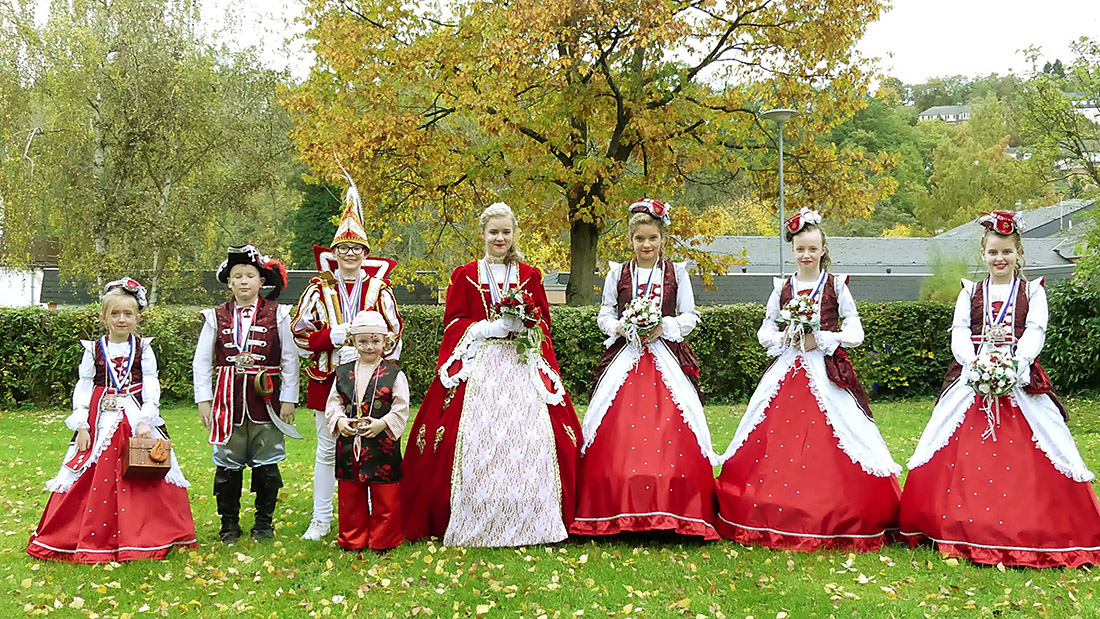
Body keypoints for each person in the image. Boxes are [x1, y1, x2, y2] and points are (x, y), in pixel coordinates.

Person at [899, 210, 1100, 567]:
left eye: (1006, 251)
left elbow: (1036, 332)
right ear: (983, 255)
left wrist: (1014, 367)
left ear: (1018, 253)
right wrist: (974, 364)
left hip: (1017, 377)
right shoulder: (970, 291)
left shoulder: (1032, 292)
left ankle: (1036, 523)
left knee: (1049, 439)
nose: (999, 259)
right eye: (993, 252)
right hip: (974, 375)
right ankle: (956, 525)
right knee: (945, 437)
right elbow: (960, 331)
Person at [715, 207, 902, 552]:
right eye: (800, 249)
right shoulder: (783, 287)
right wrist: (783, 338)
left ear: (823, 250)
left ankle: (840, 510)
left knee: (839, 435)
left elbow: (855, 331)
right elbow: (765, 330)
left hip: (825, 371)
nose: (806, 255)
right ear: (793, 251)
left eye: (812, 249)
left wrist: (823, 339)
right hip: (789, 368)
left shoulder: (835, 286)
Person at [401, 202, 582, 547]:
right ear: (482, 234)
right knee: (470, 436)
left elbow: (543, 320)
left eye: (506, 231)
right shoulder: (465, 274)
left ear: (514, 234)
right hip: (481, 363)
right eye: (493, 232)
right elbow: (454, 321)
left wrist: (525, 323)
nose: (500, 238)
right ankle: (475, 508)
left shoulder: (530, 275)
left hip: (521, 363)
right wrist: (487, 328)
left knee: (536, 438)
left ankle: (533, 510)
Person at [570, 199, 720, 540]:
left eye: (652, 238)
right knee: (610, 424)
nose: (646, 245)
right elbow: (605, 314)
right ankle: (614, 506)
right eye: (639, 239)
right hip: (626, 356)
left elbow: (689, 317)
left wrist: (662, 327)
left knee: (676, 424)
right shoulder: (617, 273)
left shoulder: (677, 273)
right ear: (630, 239)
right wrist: (622, 328)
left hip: (665, 356)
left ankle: (673, 506)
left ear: (662, 238)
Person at [27, 278, 196, 562]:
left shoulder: (144, 349)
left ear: (137, 317)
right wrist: (81, 423)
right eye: (115, 314)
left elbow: (152, 383)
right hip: (101, 418)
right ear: (104, 316)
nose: (121, 319)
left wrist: (146, 419)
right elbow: (83, 385)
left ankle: (147, 535)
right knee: (90, 472)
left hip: (135, 416)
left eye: (128, 314)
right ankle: (89, 536)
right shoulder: (93, 349)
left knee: (146, 468)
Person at [292, 173, 403, 542]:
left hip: (372, 379)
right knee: (328, 448)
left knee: (373, 446)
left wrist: (375, 353)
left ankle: (370, 517)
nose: (350, 255)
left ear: (366, 253)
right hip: (328, 379)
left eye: (357, 249)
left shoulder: (379, 288)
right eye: (343, 248)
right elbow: (299, 333)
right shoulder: (317, 287)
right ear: (333, 253)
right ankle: (321, 519)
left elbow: (395, 330)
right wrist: (330, 337)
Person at [193, 244, 300, 543]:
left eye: (249, 276)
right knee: (227, 461)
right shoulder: (215, 317)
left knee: (267, 460)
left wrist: (289, 398)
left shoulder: (280, 315)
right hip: (227, 402)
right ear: (229, 282)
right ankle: (229, 525)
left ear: (260, 281)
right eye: (237, 276)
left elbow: (290, 359)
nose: (243, 281)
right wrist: (204, 400)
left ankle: (264, 523)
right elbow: (202, 362)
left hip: (266, 400)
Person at [325, 310, 409, 552]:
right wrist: (340, 421)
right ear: (353, 342)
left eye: (375, 341)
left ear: (386, 342)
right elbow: (333, 403)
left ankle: (385, 539)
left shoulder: (395, 374)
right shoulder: (342, 372)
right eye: (362, 341)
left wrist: (383, 424)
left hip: (382, 444)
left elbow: (401, 406)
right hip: (349, 444)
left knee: (386, 495)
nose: (369, 347)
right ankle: (352, 539)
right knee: (350, 495)